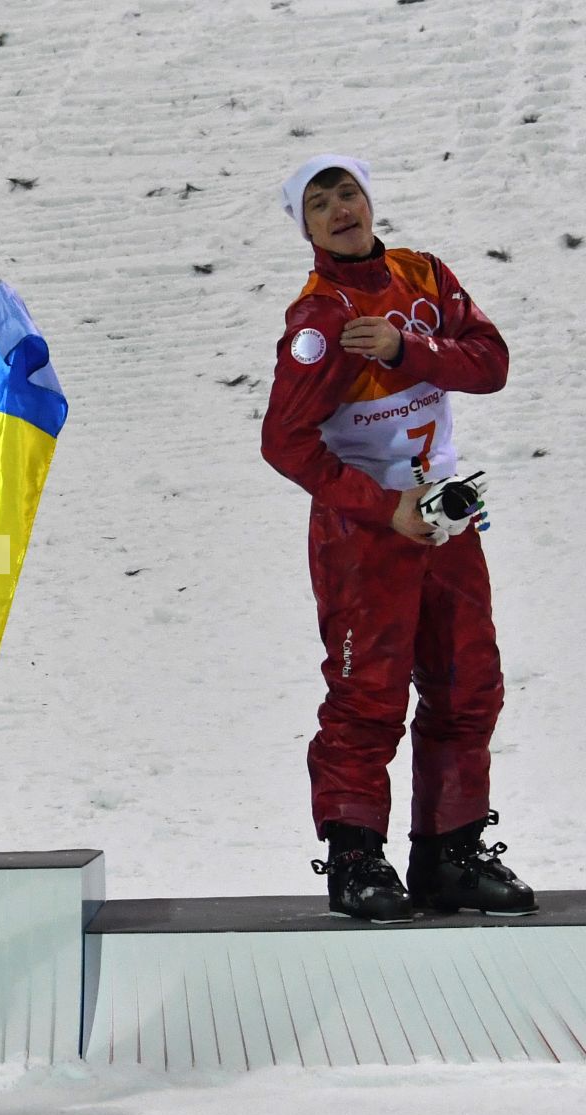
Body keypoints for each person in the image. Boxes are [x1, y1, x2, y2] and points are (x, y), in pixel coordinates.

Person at [262, 155, 534, 921]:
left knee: (467, 682)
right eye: (319, 203)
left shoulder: (425, 276)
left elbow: (491, 364)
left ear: (369, 199)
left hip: (448, 517)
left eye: (347, 192)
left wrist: (405, 350)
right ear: (306, 227)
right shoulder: (318, 323)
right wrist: (386, 508)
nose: (340, 209)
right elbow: (285, 443)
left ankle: (449, 851)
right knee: (366, 695)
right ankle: (356, 859)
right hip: (366, 534)